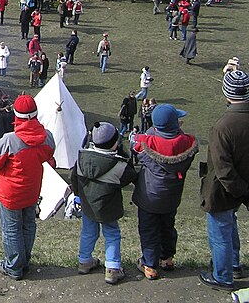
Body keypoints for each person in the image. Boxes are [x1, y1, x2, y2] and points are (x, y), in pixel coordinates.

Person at [0, 94, 56, 280]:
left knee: (11, 229)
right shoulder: (47, 137)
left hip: (11, 193)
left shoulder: (10, 140)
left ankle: (14, 266)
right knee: (28, 224)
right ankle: (24, 261)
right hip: (32, 189)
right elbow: (49, 154)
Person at [132, 104, 198, 280]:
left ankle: (150, 265)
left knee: (149, 230)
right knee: (168, 227)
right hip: (172, 197)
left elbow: (137, 146)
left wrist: (151, 133)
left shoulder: (148, 144)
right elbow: (182, 140)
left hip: (149, 197)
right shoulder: (187, 143)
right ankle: (167, 258)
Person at [200, 70, 249, 291]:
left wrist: (241, 191)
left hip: (223, 189)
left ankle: (223, 276)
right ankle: (235, 264)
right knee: (231, 225)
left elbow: (223, 169)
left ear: (226, 93)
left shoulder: (222, 127)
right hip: (244, 185)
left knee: (219, 233)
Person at [71, 121, 137, 285]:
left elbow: (74, 180)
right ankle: (112, 268)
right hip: (108, 207)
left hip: (88, 205)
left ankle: (84, 261)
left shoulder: (81, 158)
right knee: (112, 234)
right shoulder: (119, 165)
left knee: (88, 232)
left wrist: (79, 195)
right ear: (115, 143)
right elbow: (131, 176)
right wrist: (124, 155)